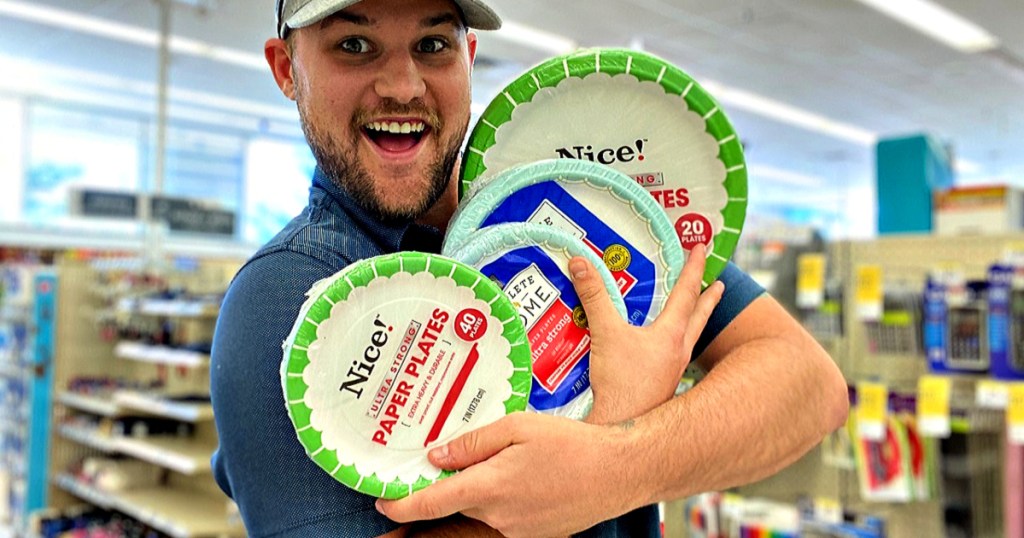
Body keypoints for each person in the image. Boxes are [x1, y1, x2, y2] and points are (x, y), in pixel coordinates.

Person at [208, 0, 850, 536]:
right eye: (354, 44)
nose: (402, 86)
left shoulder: (581, 198)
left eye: (433, 43)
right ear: (286, 68)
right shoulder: (289, 296)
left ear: (469, 58)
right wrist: (611, 428)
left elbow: (808, 389)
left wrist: (622, 459)